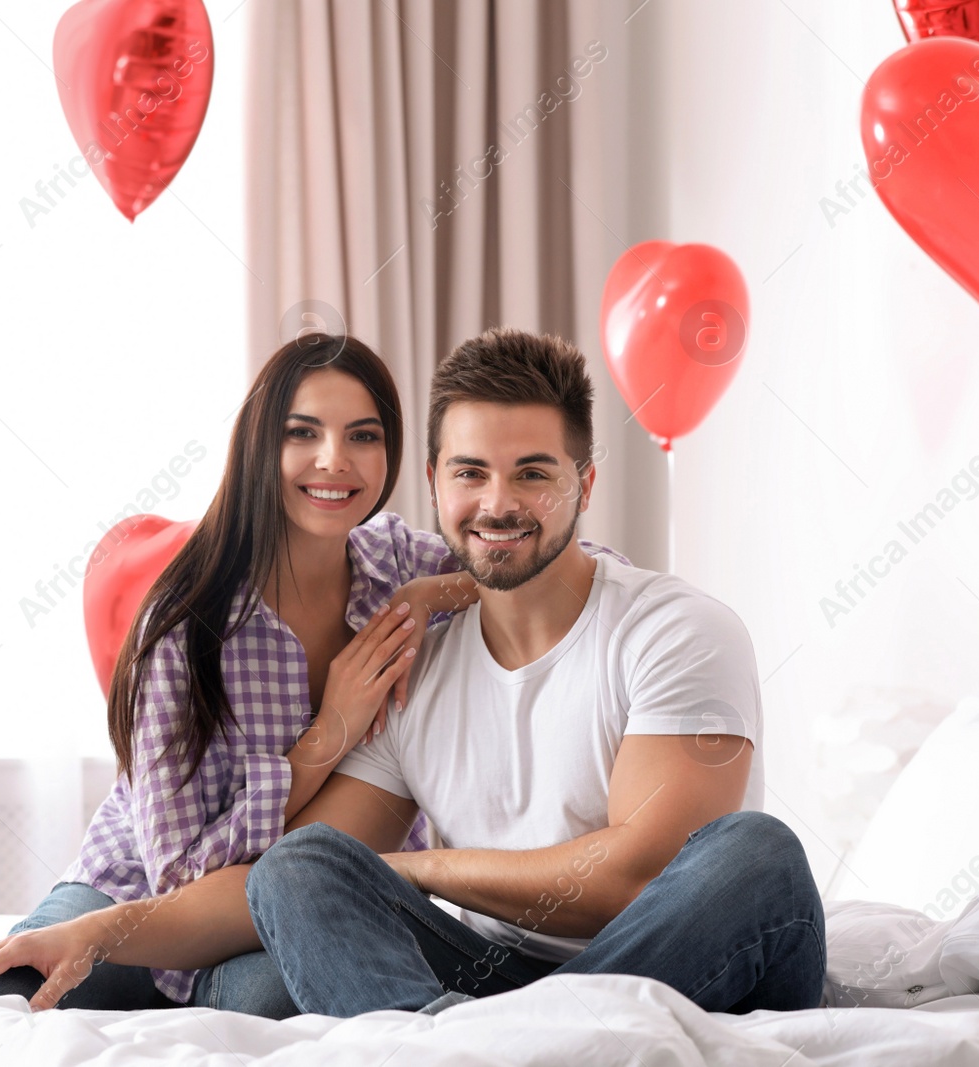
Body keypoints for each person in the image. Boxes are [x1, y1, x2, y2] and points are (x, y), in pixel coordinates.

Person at [0, 332, 623, 1016]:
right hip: (137, 905)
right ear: (261, 446)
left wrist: (436, 592)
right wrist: (330, 731)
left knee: (286, 997)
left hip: (290, 917)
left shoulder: (397, 565)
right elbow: (179, 873)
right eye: (305, 434)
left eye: (363, 435)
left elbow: (560, 565)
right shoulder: (185, 625)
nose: (336, 460)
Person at [243, 327, 826, 1016]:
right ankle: (491, 1050)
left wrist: (424, 867)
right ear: (433, 481)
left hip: (668, 961)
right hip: (492, 979)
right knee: (299, 865)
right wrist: (108, 929)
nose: (498, 503)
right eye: (470, 472)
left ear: (584, 483)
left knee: (757, 856)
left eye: (533, 473)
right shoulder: (417, 665)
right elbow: (325, 868)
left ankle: (483, 1047)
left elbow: (635, 878)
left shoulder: (677, 630)